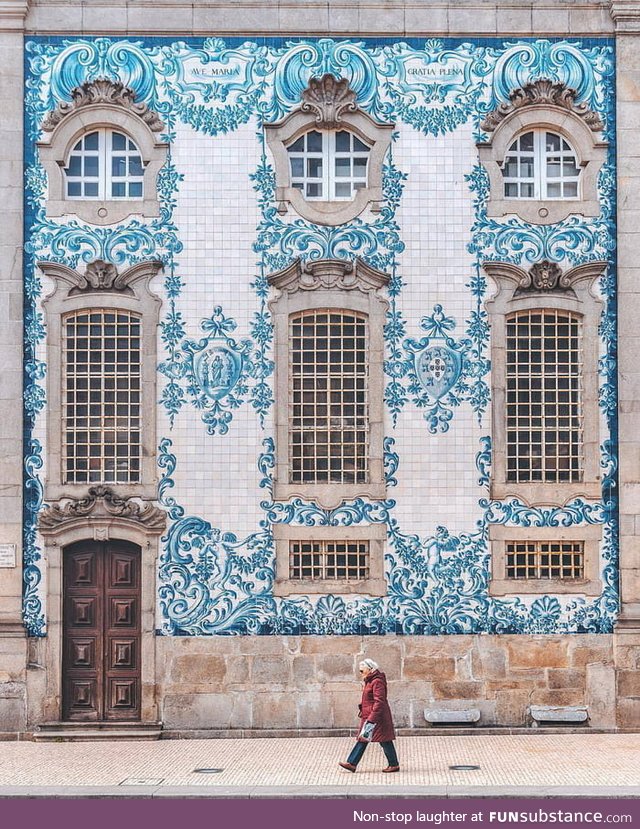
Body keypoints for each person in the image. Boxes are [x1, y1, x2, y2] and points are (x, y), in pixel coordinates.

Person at [339, 658, 399, 773]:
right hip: (371, 716)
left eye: (362, 671)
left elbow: (379, 701)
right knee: (374, 739)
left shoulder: (377, 681)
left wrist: (372, 718)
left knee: (378, 739)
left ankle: (352, 763)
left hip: (376, 717)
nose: (360, 673)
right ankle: (393, 764)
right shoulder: (370, 681)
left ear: (370, 669)